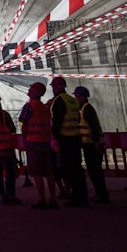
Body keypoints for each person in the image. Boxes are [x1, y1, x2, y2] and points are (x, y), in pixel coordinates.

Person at [50, 76, 88, 207]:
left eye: (54, 86)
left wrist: (55, 139)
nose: (53, 89)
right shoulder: (72, 100)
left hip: (65, 139)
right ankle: (82, 196)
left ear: (58, 87)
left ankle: (77, 198)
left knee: (70, 170)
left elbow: (57, 122)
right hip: (76, 138)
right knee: (77, 169)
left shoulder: (58, 101)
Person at [19, 81, 57, 210]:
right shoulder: (44, 108)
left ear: (36, 92)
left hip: (33, 142)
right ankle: (53, 199)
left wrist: (24, 140)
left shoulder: (30, 106)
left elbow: (24, 125)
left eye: (31, 88)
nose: (29, 90)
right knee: (49, 172)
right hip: (46, 142)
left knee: (37, 173)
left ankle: (42, 199)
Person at [75, 86, 110, 203]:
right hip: (89, 144)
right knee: (94, 170)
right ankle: (100, 193)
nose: (76, 98)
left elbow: (94, 127)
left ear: (83, 96)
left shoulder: (87, 109)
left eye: (77, 96)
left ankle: (102, 194)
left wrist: (95, 143)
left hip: (93, 144)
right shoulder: (84, 109)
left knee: (95, 170)